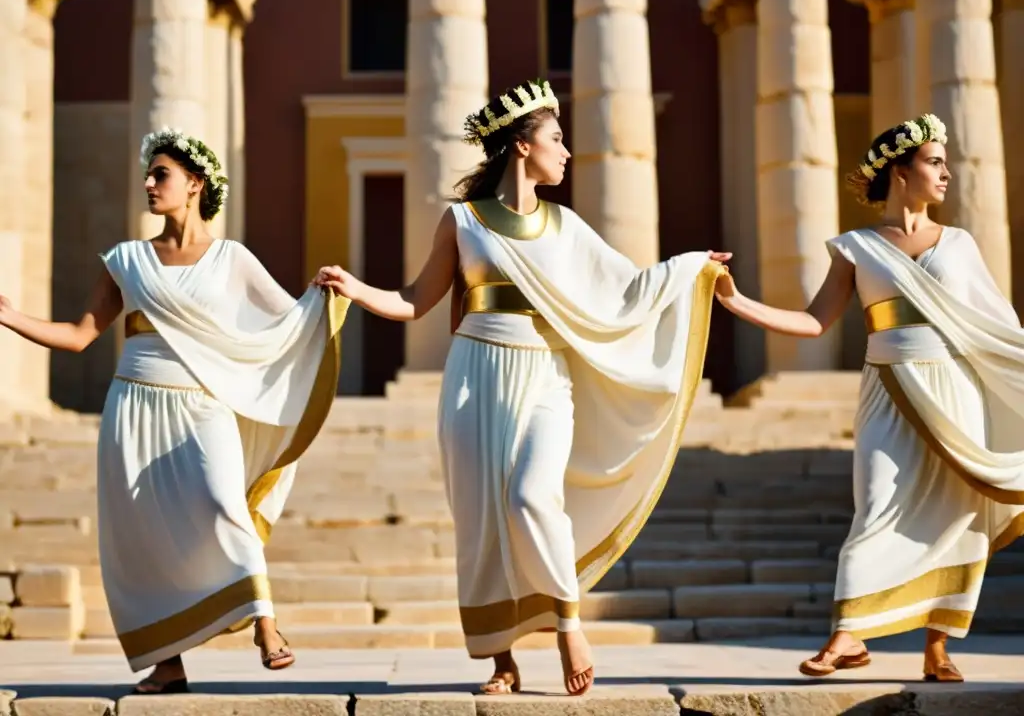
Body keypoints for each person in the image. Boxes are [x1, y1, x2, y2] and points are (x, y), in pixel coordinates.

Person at [315, 78, 729, 696]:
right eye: (556, 138)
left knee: (532, 496)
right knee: (482, 516)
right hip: (474, 376)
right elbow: (415, 300)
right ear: (520, 146)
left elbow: (628, 289)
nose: (565, 151)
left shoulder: (566, 226)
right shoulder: (463, 221)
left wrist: (691, 268)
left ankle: (567, 622)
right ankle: (500, 659)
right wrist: (354, 288)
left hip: (544, 376)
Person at [0, 128, 347, 693]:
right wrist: (11, 317)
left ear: (195, 184)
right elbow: (80, 334)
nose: (148, 184)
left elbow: (290, 321)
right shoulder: (127, 260)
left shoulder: (232, 259)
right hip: (132, 407)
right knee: (141, 536)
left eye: (160, 174)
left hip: (201, 404)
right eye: (149, 175)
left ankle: (265, 623)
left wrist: (325, 293)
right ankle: (168, 664)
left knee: (222, 502)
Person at [714, 113, 1024, 682]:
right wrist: (735, 301)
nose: (946, 172)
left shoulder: (959, 244)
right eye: (934, 161)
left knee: (957, 516)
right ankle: (847, 636)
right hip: (888, 390)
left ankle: (937, 650)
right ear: (901, 172)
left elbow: (1000, 328)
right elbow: (814, 322)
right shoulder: (856, 248)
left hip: (955, 392)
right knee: (877, 504)